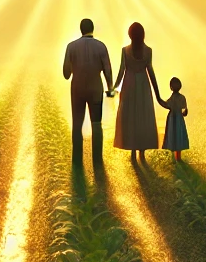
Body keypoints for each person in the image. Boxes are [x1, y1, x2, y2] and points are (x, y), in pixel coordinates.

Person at [62, 17, 114, 159]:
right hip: (95, 89)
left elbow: (66, 74)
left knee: (77, 124)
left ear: (81, 29)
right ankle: (97, 158)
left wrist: (76, 67)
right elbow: (108, 71)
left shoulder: (71, 46)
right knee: (96, 124)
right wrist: (110, 89)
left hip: (77, 89)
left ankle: (77, 158)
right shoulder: (101, 46)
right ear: (92, 29)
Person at [110, 21, 161, 163]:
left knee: (130, 116)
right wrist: (157, 94)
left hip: (129, 84)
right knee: (143, 116)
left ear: (130, 35)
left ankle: (132, 148)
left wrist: (114, 88)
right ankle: (142, 151)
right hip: (143, 85)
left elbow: (122, 71)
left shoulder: (125, 50)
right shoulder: (148, 51)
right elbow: (150, 72)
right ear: (143, 35)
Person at [159, 76, 190, 163]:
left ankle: (174, 157)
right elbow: (185, 110)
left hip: (173, 118)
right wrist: (184, 113)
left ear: (171, 87)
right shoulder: (182, 97)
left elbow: (166, 105)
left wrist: (159, 100)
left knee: (173, 134)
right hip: (179, 119)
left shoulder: (173, 98)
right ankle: (178, 157)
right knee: (178, 135)